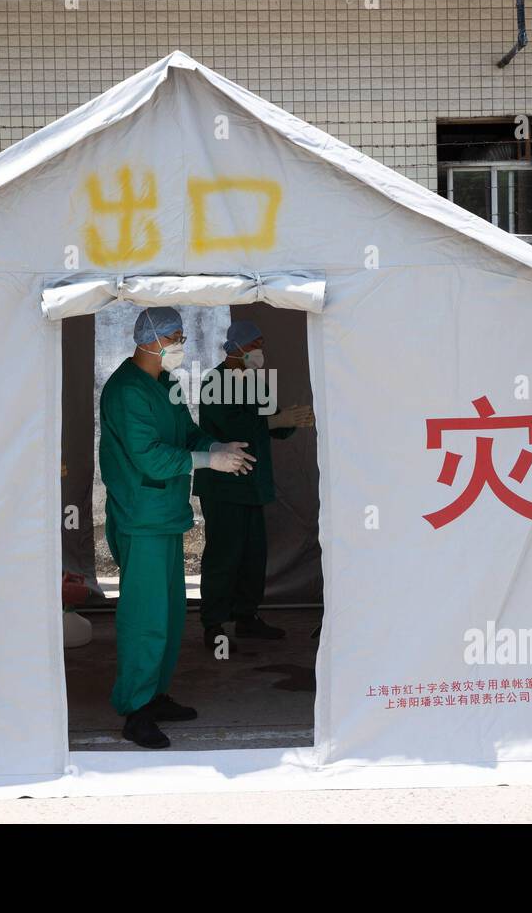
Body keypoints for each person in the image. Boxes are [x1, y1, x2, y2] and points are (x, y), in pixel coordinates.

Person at [98, 306, 256, 749]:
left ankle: (155, 694)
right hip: (140, 515)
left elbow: (186, 434)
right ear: (150, 340)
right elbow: (147, 455)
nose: (181, 344)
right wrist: (208, 461)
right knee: (144, 616)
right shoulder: (126, 390)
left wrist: (215, 446)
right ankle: (135, 708)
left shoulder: (164, 382)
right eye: (177, 336)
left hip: (164, 513)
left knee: (168, 612)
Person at [193, 319, 315, 651]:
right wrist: (274, 420)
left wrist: (290, 419)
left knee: (253, 554)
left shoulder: (256, 382)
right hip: (224, 483)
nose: (260, 351)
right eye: (256, 344)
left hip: (252, 484)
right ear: (238, 347)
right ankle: (214, 623)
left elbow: (272, 423)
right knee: (224, 554)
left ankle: (247, 617)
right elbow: (234, 426)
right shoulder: (214, 382)